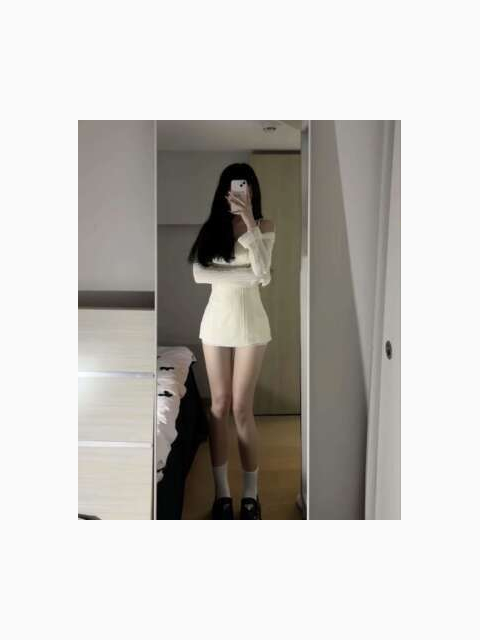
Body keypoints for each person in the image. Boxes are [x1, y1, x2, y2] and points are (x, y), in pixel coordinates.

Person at [188, 163, 276, 519]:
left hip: (251, 325)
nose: (239, 192)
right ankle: (222, 494)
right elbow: (198, 274)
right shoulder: (211, 228)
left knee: (241, 408)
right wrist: (245, 275)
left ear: (252, 190)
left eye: (245, 186)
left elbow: (263, 273)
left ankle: (251, 495)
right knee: (219, 405)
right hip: (215, 324)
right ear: (224, 191)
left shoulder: (264, 227)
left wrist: (250, 223)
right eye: (233, 186)